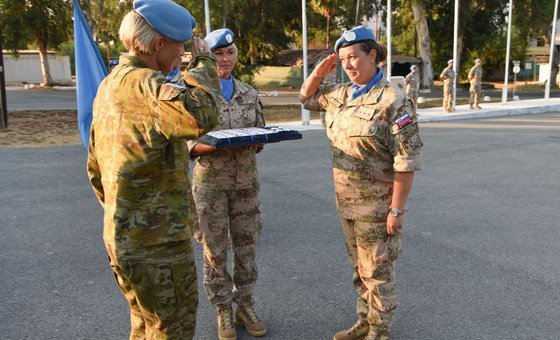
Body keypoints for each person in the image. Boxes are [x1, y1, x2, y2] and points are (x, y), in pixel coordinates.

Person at [86, 0, 221, 338]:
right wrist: (204, 62)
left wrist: (125, 212)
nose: (183, 55)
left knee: (145, 325)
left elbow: (94, 166)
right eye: (181, 46)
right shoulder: (147, 85)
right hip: (156, 244)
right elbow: (201, 114)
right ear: (159, 43)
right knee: (170, 329)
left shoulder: (109, 85)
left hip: (123, 237)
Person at [299, 26, 423, 340]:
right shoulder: (339, 95)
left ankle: (380, 332)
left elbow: (405, 161)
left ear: (373, 55)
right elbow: (305, 98)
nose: (349, 65)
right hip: (347, 203)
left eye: (354, 56)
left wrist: (397, 210)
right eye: (343, 60)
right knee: (359, 271)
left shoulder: (393, 100)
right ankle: (365, 321)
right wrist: (318, 72)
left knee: (378, 273)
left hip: (378, 207)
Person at [187, 28, 267, 340]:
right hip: (211, 185)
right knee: (214, 251)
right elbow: (185, 146)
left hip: (246, 181)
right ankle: (223, 309)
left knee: (247, 248)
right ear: (207, 56)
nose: (224, 59)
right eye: (218, 53)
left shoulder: (249, 93)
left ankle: (245, 304)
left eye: (229, 53)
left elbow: (259, 133)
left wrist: (259, 139)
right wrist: (215, 146)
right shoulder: (195, 93)